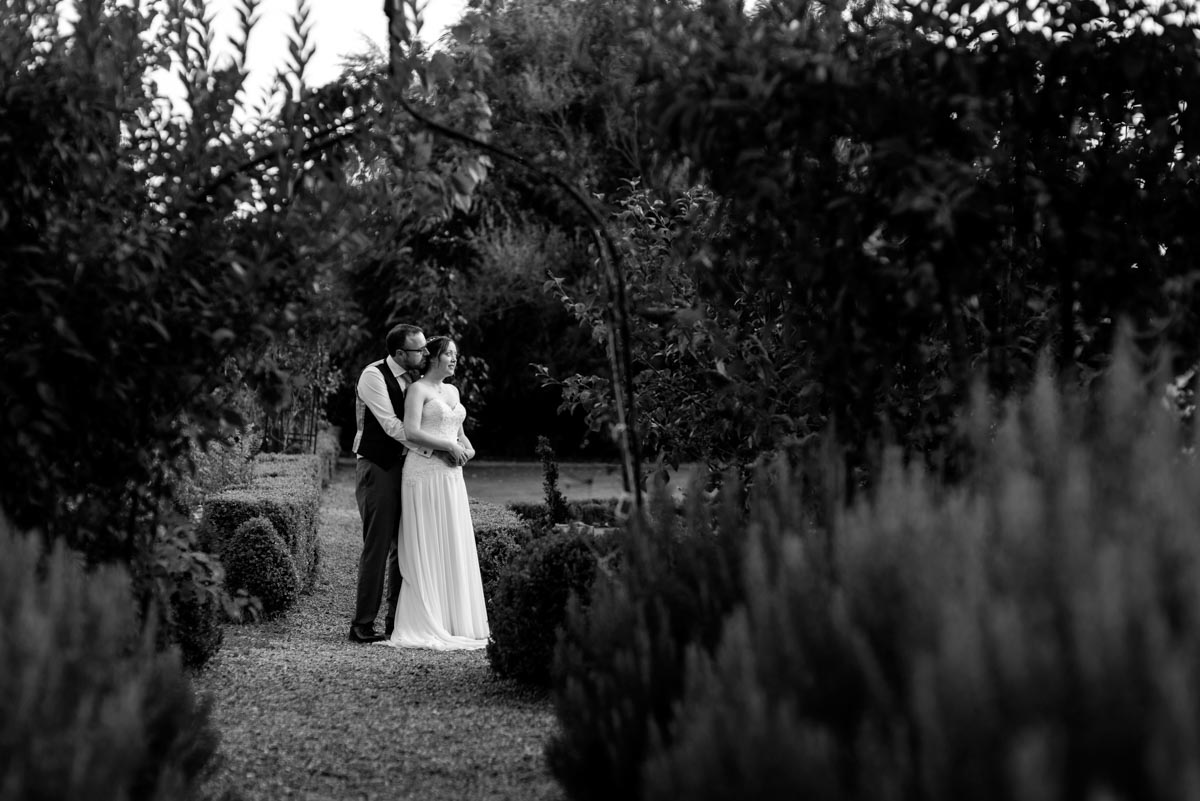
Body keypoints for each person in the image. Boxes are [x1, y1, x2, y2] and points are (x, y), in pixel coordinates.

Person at [382, 336, 489, 650]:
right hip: (424, 472)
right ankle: (427, 618)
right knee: (428, 538)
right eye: (448, 354)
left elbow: (460, 434)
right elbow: (412, 431)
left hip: (451, 476)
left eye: (456, 354)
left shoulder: (453, 391)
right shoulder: (418, 390)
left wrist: (467, 451)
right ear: (432, 358)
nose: (454, 359)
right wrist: (448, 447)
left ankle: (454, 619)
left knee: (451, 538)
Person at [348, 323, 436, 644]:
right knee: (378, 544)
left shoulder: (417, 377)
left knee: (406, 546)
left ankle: (397, 620)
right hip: (378, 466)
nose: (425, 353)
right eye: (419, 349)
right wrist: (433, 449)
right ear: (400, 353)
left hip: (408, 467)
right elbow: (391, 425)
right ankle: (362, 624)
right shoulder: (373, 375)